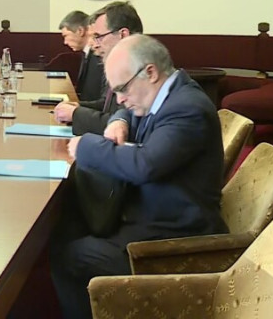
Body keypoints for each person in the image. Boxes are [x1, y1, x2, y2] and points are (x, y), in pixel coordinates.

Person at [50, 34, 226, 319]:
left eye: (122, 89)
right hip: (149, 215)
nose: (120, 98)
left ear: (150, 72)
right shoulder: (160, 94)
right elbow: (127, 111)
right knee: (68, 225)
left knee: (68, 256)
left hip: (172, 238)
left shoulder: (187, 108)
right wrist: (119, 120)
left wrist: (86, 146)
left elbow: (145, 165)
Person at [54, 1, 143, 134]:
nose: (94, 45)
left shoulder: (140, 70)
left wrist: (76, 114)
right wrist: (78, 106)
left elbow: (123, 125)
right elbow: (106, 104)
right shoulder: (119, 64)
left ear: (123, 35)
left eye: (98, 37)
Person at [58, 10, 103, 102]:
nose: (65, 42)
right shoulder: (86, 54)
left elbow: (95, 96)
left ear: (80, 31)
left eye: (66, 36)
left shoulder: (98, 56)